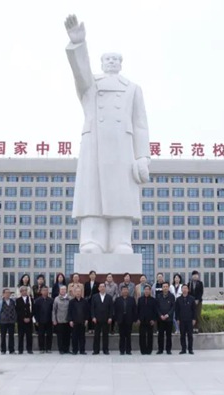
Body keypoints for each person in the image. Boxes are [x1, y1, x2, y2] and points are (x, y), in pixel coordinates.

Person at [64, 14, 151, 254]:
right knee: (93, 195)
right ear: (101, 63)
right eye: (107, 59)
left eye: (115, 59)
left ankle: (121, 240)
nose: (111, 62)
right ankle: (92, 240)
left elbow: (140, 124)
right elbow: (80, 73)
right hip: (94, 144)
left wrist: (142, 156)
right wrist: (78, 44)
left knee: (121, 195)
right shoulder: (91, 86)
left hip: (123, 148)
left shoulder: (133, 89)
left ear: (121, 64)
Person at [114, 285, 137, 355]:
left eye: (126, 290)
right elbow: (115, 310)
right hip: (120, 320)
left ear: (128, 291)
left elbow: (134, 310)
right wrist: (116, 319)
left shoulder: (132, 299)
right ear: (121, 291)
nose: (125, 291)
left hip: (129, 320)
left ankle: (128, 350)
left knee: (128, 336)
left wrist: (134, 319)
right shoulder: (118, 300)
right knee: (122, 336)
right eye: (123, 290)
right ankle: (122, 350)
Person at [91, 282, 113, 354]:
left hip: (106, 319)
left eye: (103, 287)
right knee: (96, 335)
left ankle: (105, 350)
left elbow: (111, 308)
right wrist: (93, 317)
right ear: (98, 288)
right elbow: (92, 308)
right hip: (96, 319)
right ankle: (96, 350)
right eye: (101, 287)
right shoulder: (94, 296)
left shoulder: (109, 297)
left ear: (105, 288)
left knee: (105, 335)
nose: (102, 288)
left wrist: (110, 317)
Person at [0, 288, 16, 355]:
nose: (8, 294)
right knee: (3, 336)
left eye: (9, 293)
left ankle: (11, 350)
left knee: (11, 336)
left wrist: (14, 318)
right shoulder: (0, 302)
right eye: (6, 293)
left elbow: (15, 310)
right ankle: (3, 350)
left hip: (11, 321)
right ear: (3, 294)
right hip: (3, 322)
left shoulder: (13, 301)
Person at [137, 284, 158, 355]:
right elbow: (138, 310)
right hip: (142, 320)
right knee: (142, 336)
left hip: (150, 321)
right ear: (144, 291)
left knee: (150, 336)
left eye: (148, 290)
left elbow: (155, 311)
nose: (146, 291)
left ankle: (149, 350)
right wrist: (138, 319)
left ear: (150, 291)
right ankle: (143, 350)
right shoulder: (140, 299)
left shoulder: (153, 300)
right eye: (145, 289)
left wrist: (153, 320)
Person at [176, 284, 196, 355]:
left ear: (188, 290)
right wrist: (177, 319)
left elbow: (194, 310)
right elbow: (177, 310)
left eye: (186, 288)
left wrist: (194, 319)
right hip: (181, 320)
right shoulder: (178, 299)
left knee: (190, 335)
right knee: (182, 335)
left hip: (189, 320)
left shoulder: (192, 299)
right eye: (183, 288)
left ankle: (190, 349)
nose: (184, 290)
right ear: (181, 290)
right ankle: (183, 349)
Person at [67, 287, 89, 355]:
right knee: (74, 337)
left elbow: (87, 311)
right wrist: (70, 320)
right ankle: (75, 350)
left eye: (79, 291)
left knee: (82, 337)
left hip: (82, 322)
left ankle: (82, 350)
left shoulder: (85, 301)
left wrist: (86, 319)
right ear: (74, 293)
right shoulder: (71, 302)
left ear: (81, 293)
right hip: (74, 322)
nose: (78, 293)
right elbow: (69, 312)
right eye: (76, 292)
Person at [156, 282, 175, 355]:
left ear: (168, 287)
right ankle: (160, 349)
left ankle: (168, 349)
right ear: (162, 288)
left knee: (168, 335)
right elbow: (157, 307)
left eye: (166, 286)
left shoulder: (172, 296)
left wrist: (167, 315)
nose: (165, 288)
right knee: (160, 335)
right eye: (164, 286)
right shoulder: (158, 296)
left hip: (169, 319)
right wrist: (160, 315)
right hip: (160, 319)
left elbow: (173, 307)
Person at [33, 286, 54, 353]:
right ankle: (41, 348)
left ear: (48, 292)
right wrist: (36, 320)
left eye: (46, 290)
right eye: (43, 290)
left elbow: (53, 311)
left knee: (49, 335)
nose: (45, 292)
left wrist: (53, 319)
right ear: (41, 292)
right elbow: (35, 312)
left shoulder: (51, 300)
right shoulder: (37, 301)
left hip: (49, 320)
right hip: (40, 321)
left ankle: (48, 348)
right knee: (41, 335)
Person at [15, 286, 34, 354]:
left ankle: (29, 349)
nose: (24, 292)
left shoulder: (30, 299)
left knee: (29, 335)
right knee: (21, 335)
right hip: (21, 321)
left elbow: (33, 310)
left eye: (25, 290)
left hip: (29, 320)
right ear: (20, 292)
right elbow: (17, 311)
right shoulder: (18, 300)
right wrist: (23, 318)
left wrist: (29, 317)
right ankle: (20, 350)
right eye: (22, 291)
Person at [52, 285, 71, 354]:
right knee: (60, 336)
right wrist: (54, 320)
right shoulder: (56, 299)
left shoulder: (69, 298)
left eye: (64, 289)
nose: (63, 291)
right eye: (61, 290)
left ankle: (67, 349)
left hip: (67, 320)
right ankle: (61, 349)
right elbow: (54, 310)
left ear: (66, 290)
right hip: (59, 320)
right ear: (59, 291)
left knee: (67, 336)